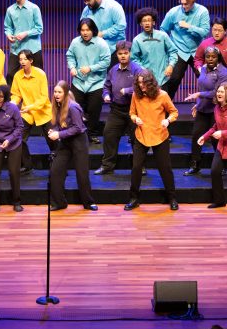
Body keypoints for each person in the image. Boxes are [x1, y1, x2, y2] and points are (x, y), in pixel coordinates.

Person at [125, 70, 179, 211]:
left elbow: (174, 112)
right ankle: (134, 198)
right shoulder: (136, 96)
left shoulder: (163, 95)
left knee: (165, 168)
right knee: (136, 168)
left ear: (151, 82)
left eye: (144, 82)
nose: (141, 85)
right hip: (141, 135)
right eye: (139, 83)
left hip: (159, 135)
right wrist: (135, 119)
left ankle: (172, 198)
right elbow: (132, 113)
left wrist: (167, 120)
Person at [48, 81, 98, 211]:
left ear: (65, 93)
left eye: (59, 92)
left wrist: (59, 134)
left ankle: (88, 202)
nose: (56, 94)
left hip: (78, 141)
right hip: (66, 142)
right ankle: (59, 202)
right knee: (55, 170)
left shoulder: (73, 107)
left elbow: (77, 127)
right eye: (55, 92)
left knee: (82, 173)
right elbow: (61, 124)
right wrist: (55, 131)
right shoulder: (56, 105)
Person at [96, 40, 143, 175]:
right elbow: (107, 86)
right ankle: (107, 165)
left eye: (126, 53)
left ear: (130, 54)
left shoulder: (137, 69)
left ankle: (140, 166)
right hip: (116, 110)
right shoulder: (113, 70)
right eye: (120, 53)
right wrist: (106, 94)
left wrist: (127, 90)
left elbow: (142, 87)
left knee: (137, 139)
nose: (123, 56)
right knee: (109, 134)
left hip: (134, 110)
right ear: (116, 54)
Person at [184, 46, 227, 176]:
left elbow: (218, 93)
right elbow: (203, 86)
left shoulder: (223, 72)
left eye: (213, 57)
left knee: (216, 138)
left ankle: (222, 165)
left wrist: (199, 94)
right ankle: (195, 164)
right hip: (202, 109)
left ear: (218, 58)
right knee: (196, 136)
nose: (210, 59)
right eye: (208, 56)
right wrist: (197, 103)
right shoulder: (203, 69)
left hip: (217, 110)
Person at [66, 18, 111, 144]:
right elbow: (70, 56)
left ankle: (92, 134)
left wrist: (91, 68)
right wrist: (72, 67)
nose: (85, 33)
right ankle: (78, 132)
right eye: (82, 30)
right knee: (75, 108)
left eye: (87, 30)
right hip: (79, 82)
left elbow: (106, 62)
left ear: (93, 30)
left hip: (96, 82)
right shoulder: (75, 42)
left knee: (93, 109)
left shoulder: (101, 43)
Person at [160, 0, 211, 98]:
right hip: (179, 51)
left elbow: (205, 31)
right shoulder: (174, 12)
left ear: (193, 2)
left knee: (205, 79)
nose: (183, 6)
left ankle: (207, 108)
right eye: (182, 3)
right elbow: (163, 29)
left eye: (186, 4)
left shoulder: (202, 11)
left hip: (197, 51)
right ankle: (166, 109)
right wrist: (169, 46)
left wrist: (189, 27)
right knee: (173, 79)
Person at [11, 49, 54, 174]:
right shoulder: (18, 76)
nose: (22, 62)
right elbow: (16, 94)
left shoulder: (40, 74)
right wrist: (14, 103)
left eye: (25, 59)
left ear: (31, 60)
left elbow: (43, 97)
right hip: (27, 113)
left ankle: (57, 164)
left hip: (43, 111)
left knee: (52, 139)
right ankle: (27, 165)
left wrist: (30, 107)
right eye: (20, 59)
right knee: (19, 138)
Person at [5, 0, 44, 85]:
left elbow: (39, 28)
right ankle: (12, 100)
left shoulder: (34, 8)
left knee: (37, 76)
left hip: (33, 48)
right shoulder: (10, 10)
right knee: (10, 74)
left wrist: (26, 33)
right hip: (16, 48)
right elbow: (7, 27)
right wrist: (8, 34)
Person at [80, 0, 127, 67]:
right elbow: (82, 26)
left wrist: (103, 34)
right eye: (85, 1)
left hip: (114, 51)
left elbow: (121, 26)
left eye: (88, 0)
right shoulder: (86, 10)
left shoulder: (114, 6)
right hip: (95, 52)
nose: (86, 3)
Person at [131, 7, 177, 87]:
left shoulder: (162, 36)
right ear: (141, 24)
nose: (147, 23)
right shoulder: (137, 40)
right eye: (144, 21)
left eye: (149, 20)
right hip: (147, 80)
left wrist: (171, 65)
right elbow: (134, 59)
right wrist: (143, 71)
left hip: (163, 78)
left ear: (154, 22)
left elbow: (173, 51)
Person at [194, 16, 227, 85]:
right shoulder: (204, 43)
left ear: (225, 31)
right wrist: (200, 68)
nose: (216, 33)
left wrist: (220, 71)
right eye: (214, 30)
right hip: (207, 82)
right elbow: (198, 59)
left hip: (226, 83)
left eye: (220, 30)